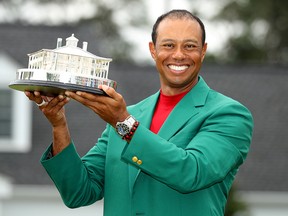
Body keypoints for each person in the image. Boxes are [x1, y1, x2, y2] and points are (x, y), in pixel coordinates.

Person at [25, 9, 253, 216]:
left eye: (190, 46)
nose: (179, 55)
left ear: (203, 51)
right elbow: (79, 192)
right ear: (153, 50)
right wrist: (58, 125)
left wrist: (123, 123)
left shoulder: (229, 114)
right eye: (168, 45)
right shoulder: (126, 115)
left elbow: (191, 172)